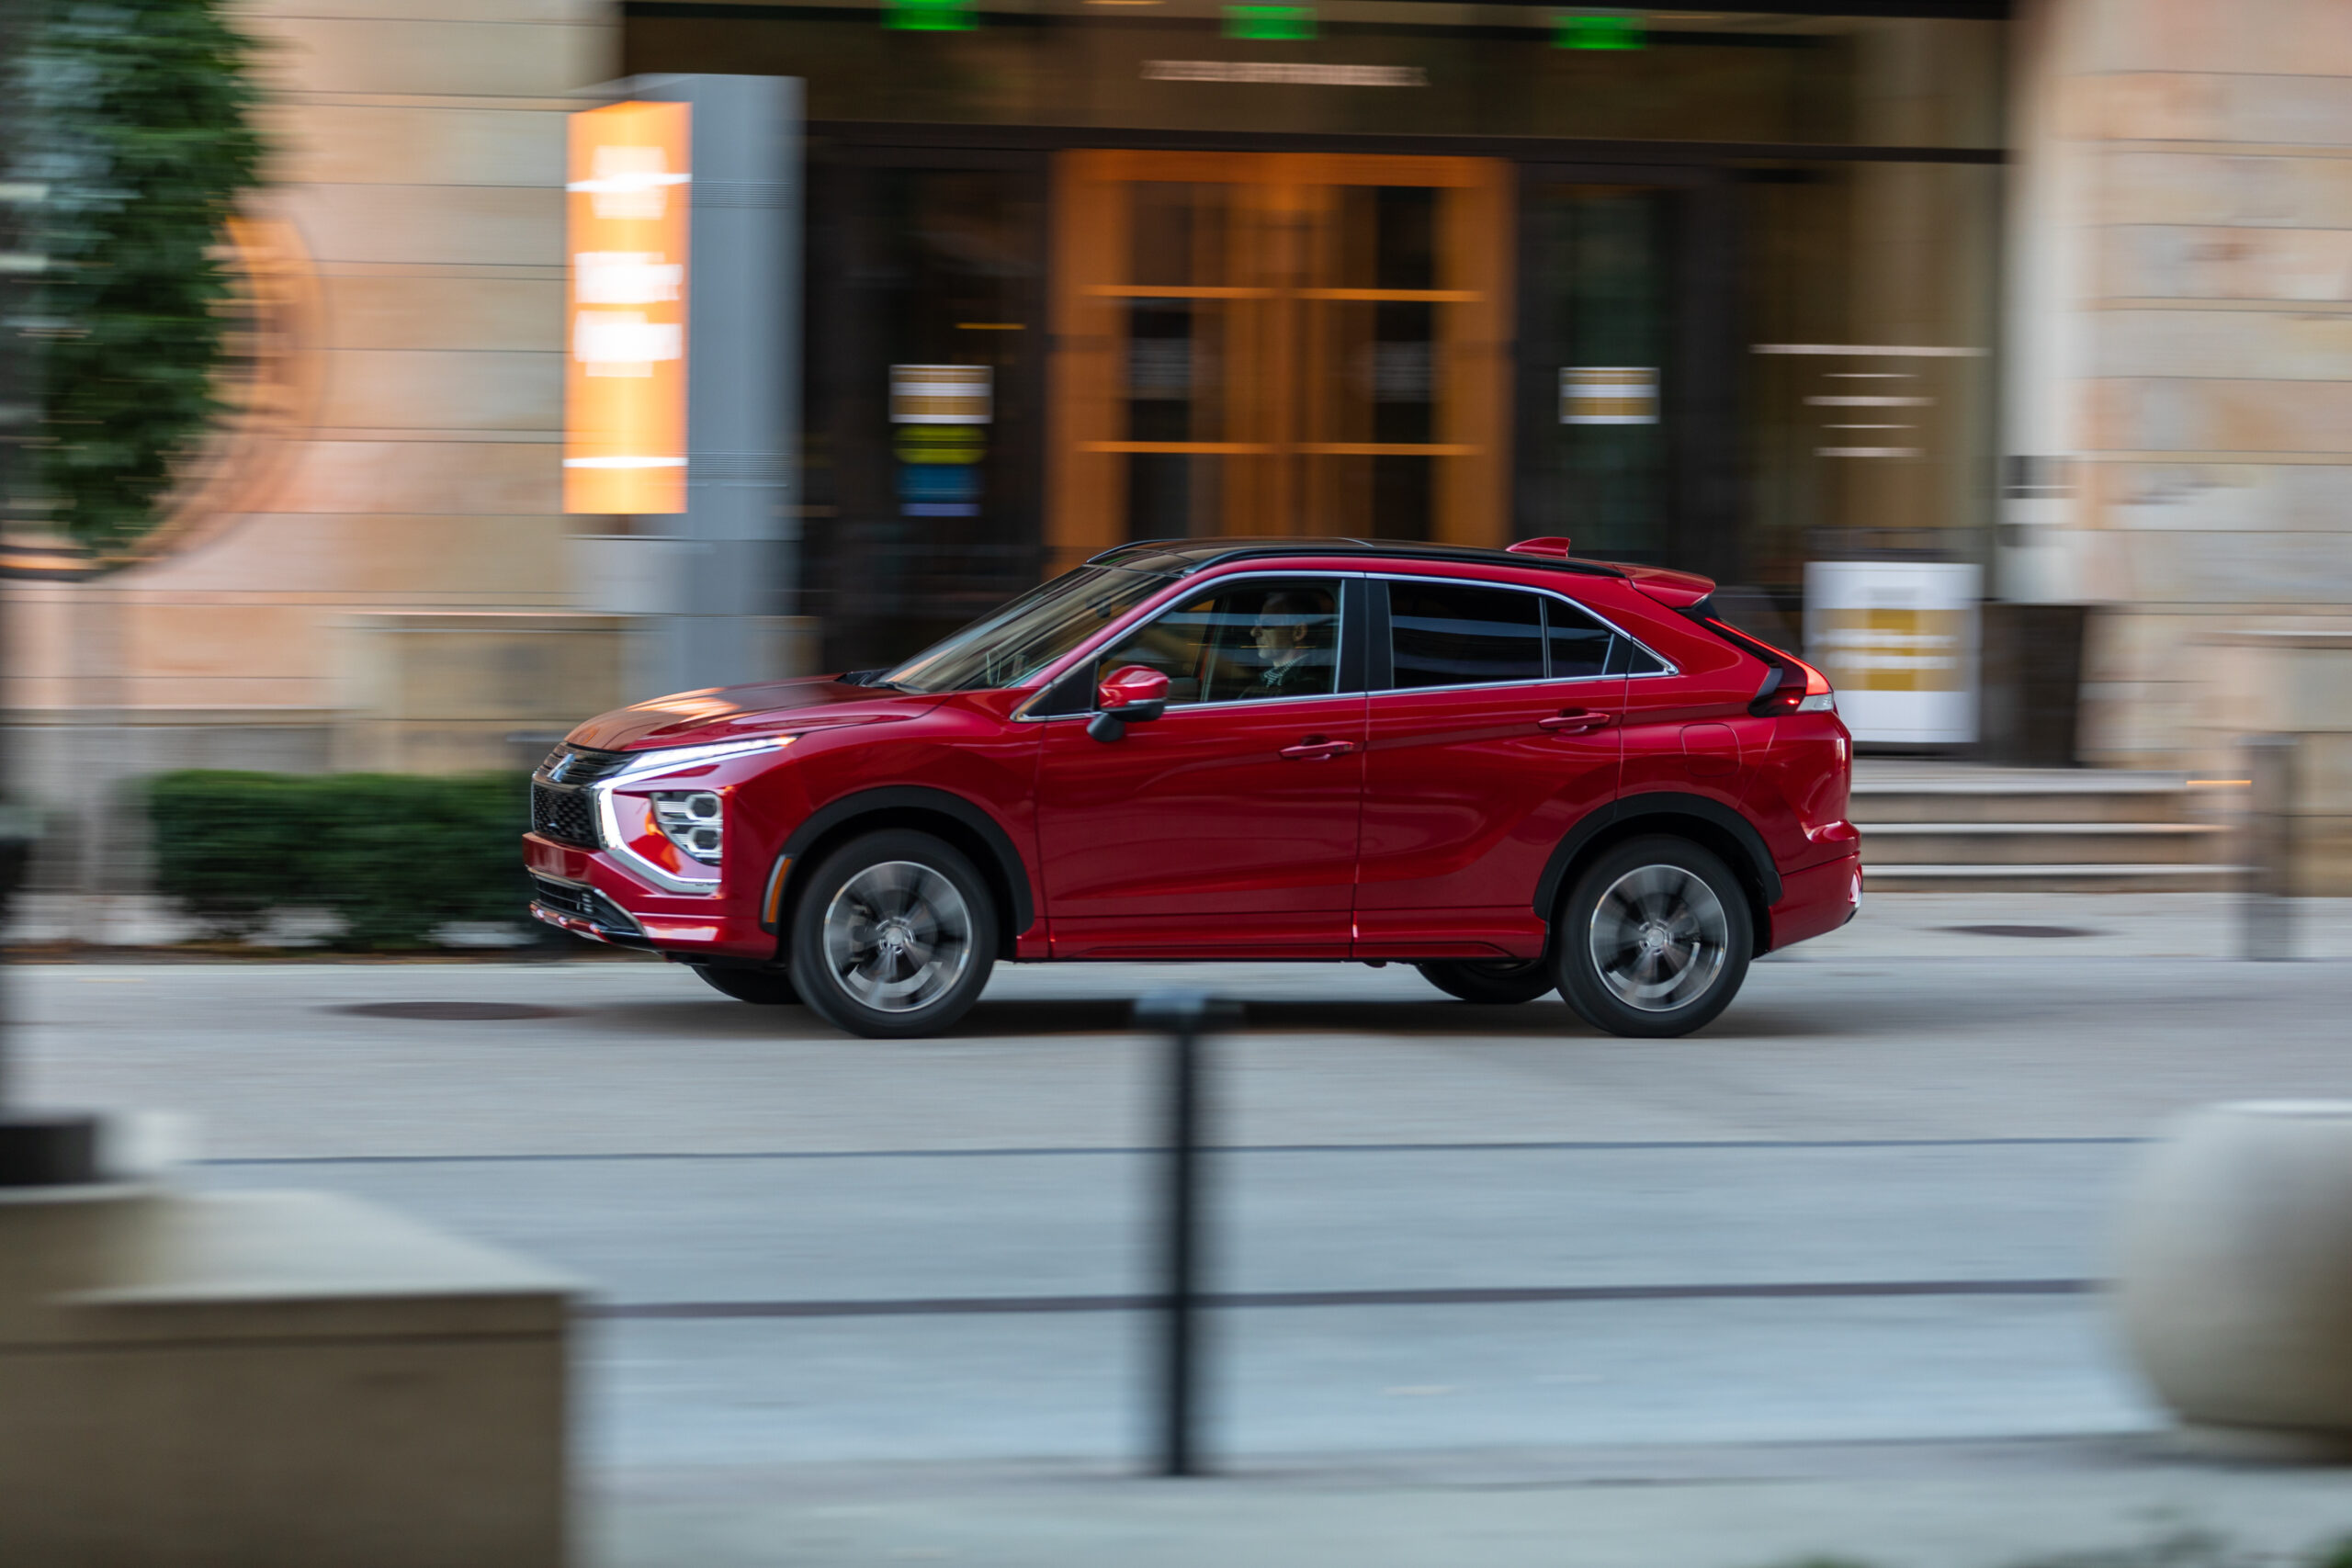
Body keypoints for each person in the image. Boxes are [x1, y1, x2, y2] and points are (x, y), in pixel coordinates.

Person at [1243, 589, 1334, 699]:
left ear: (1298, 632)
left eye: (1266, 624)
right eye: (1256, 623)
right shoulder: (1268, 679)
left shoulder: (1307, 687)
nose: (1253, 632)